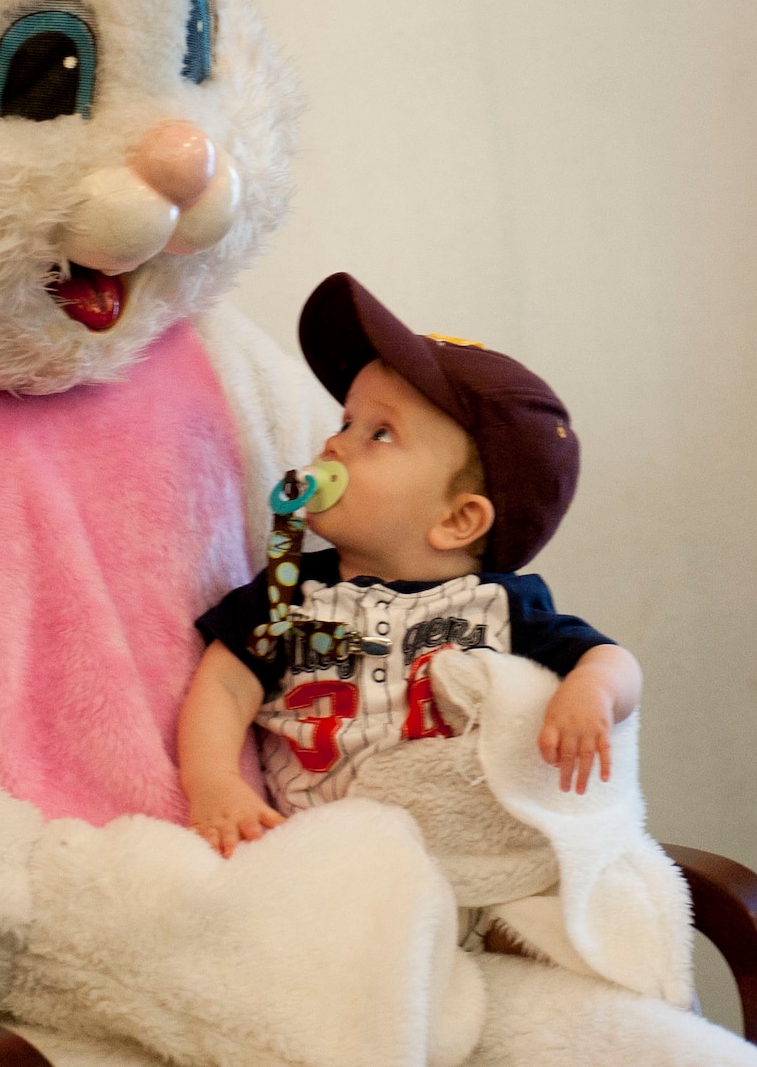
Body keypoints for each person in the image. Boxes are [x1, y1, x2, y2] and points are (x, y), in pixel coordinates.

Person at [180, 271, 643, 857]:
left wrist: (594, 691)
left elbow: (612, 658)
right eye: (345, 421)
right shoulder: (288, 593)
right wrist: (215, 783)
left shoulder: (500, 609)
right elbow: (224, 683)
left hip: (452, 857)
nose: (335, 445)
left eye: (379, 433)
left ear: (458, 521)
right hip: (312, 854)